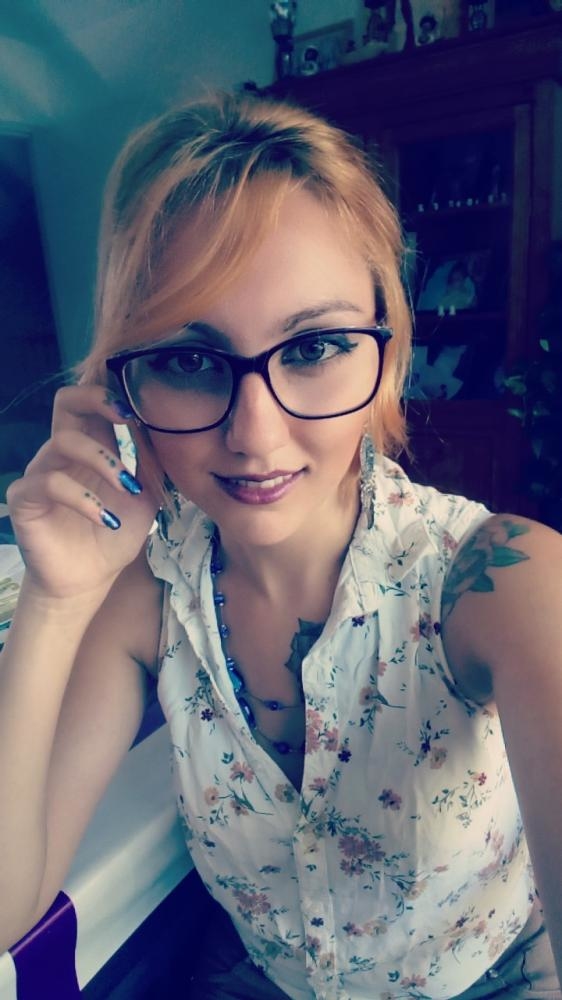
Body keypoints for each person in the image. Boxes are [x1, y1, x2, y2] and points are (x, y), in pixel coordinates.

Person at [0, 91, 561, 1000]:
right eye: (188, 360)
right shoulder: (147, 598)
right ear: (122, 386)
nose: (256, 436)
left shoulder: (502, 583)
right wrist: (54, 599)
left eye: (314, 347)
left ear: (388, 351)